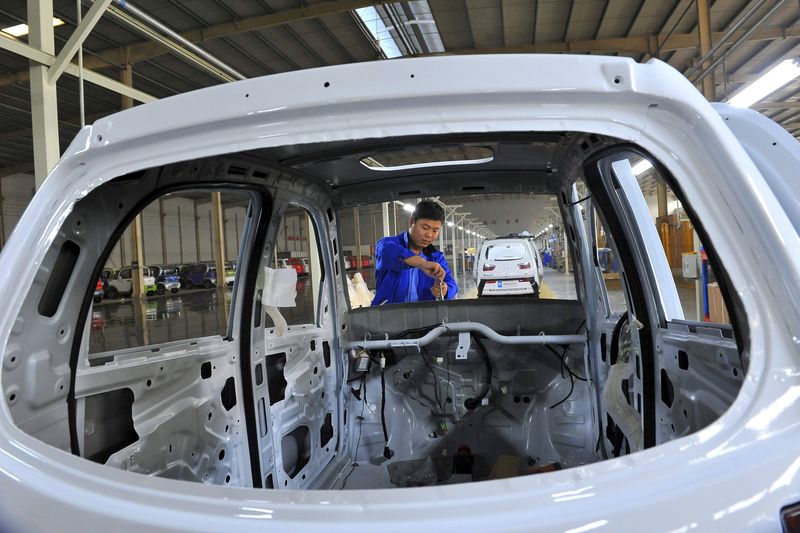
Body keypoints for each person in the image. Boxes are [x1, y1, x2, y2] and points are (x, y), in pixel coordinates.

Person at [371, 200, 458, 305]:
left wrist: (445, 289)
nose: (429, 235)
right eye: (425, 228)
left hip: (423, 316)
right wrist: (422, 264)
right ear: (411, 222)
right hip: (388, 315)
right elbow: (387, 252)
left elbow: (452, 284)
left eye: (435, 230)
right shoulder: (387, 244)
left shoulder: (436, 257)